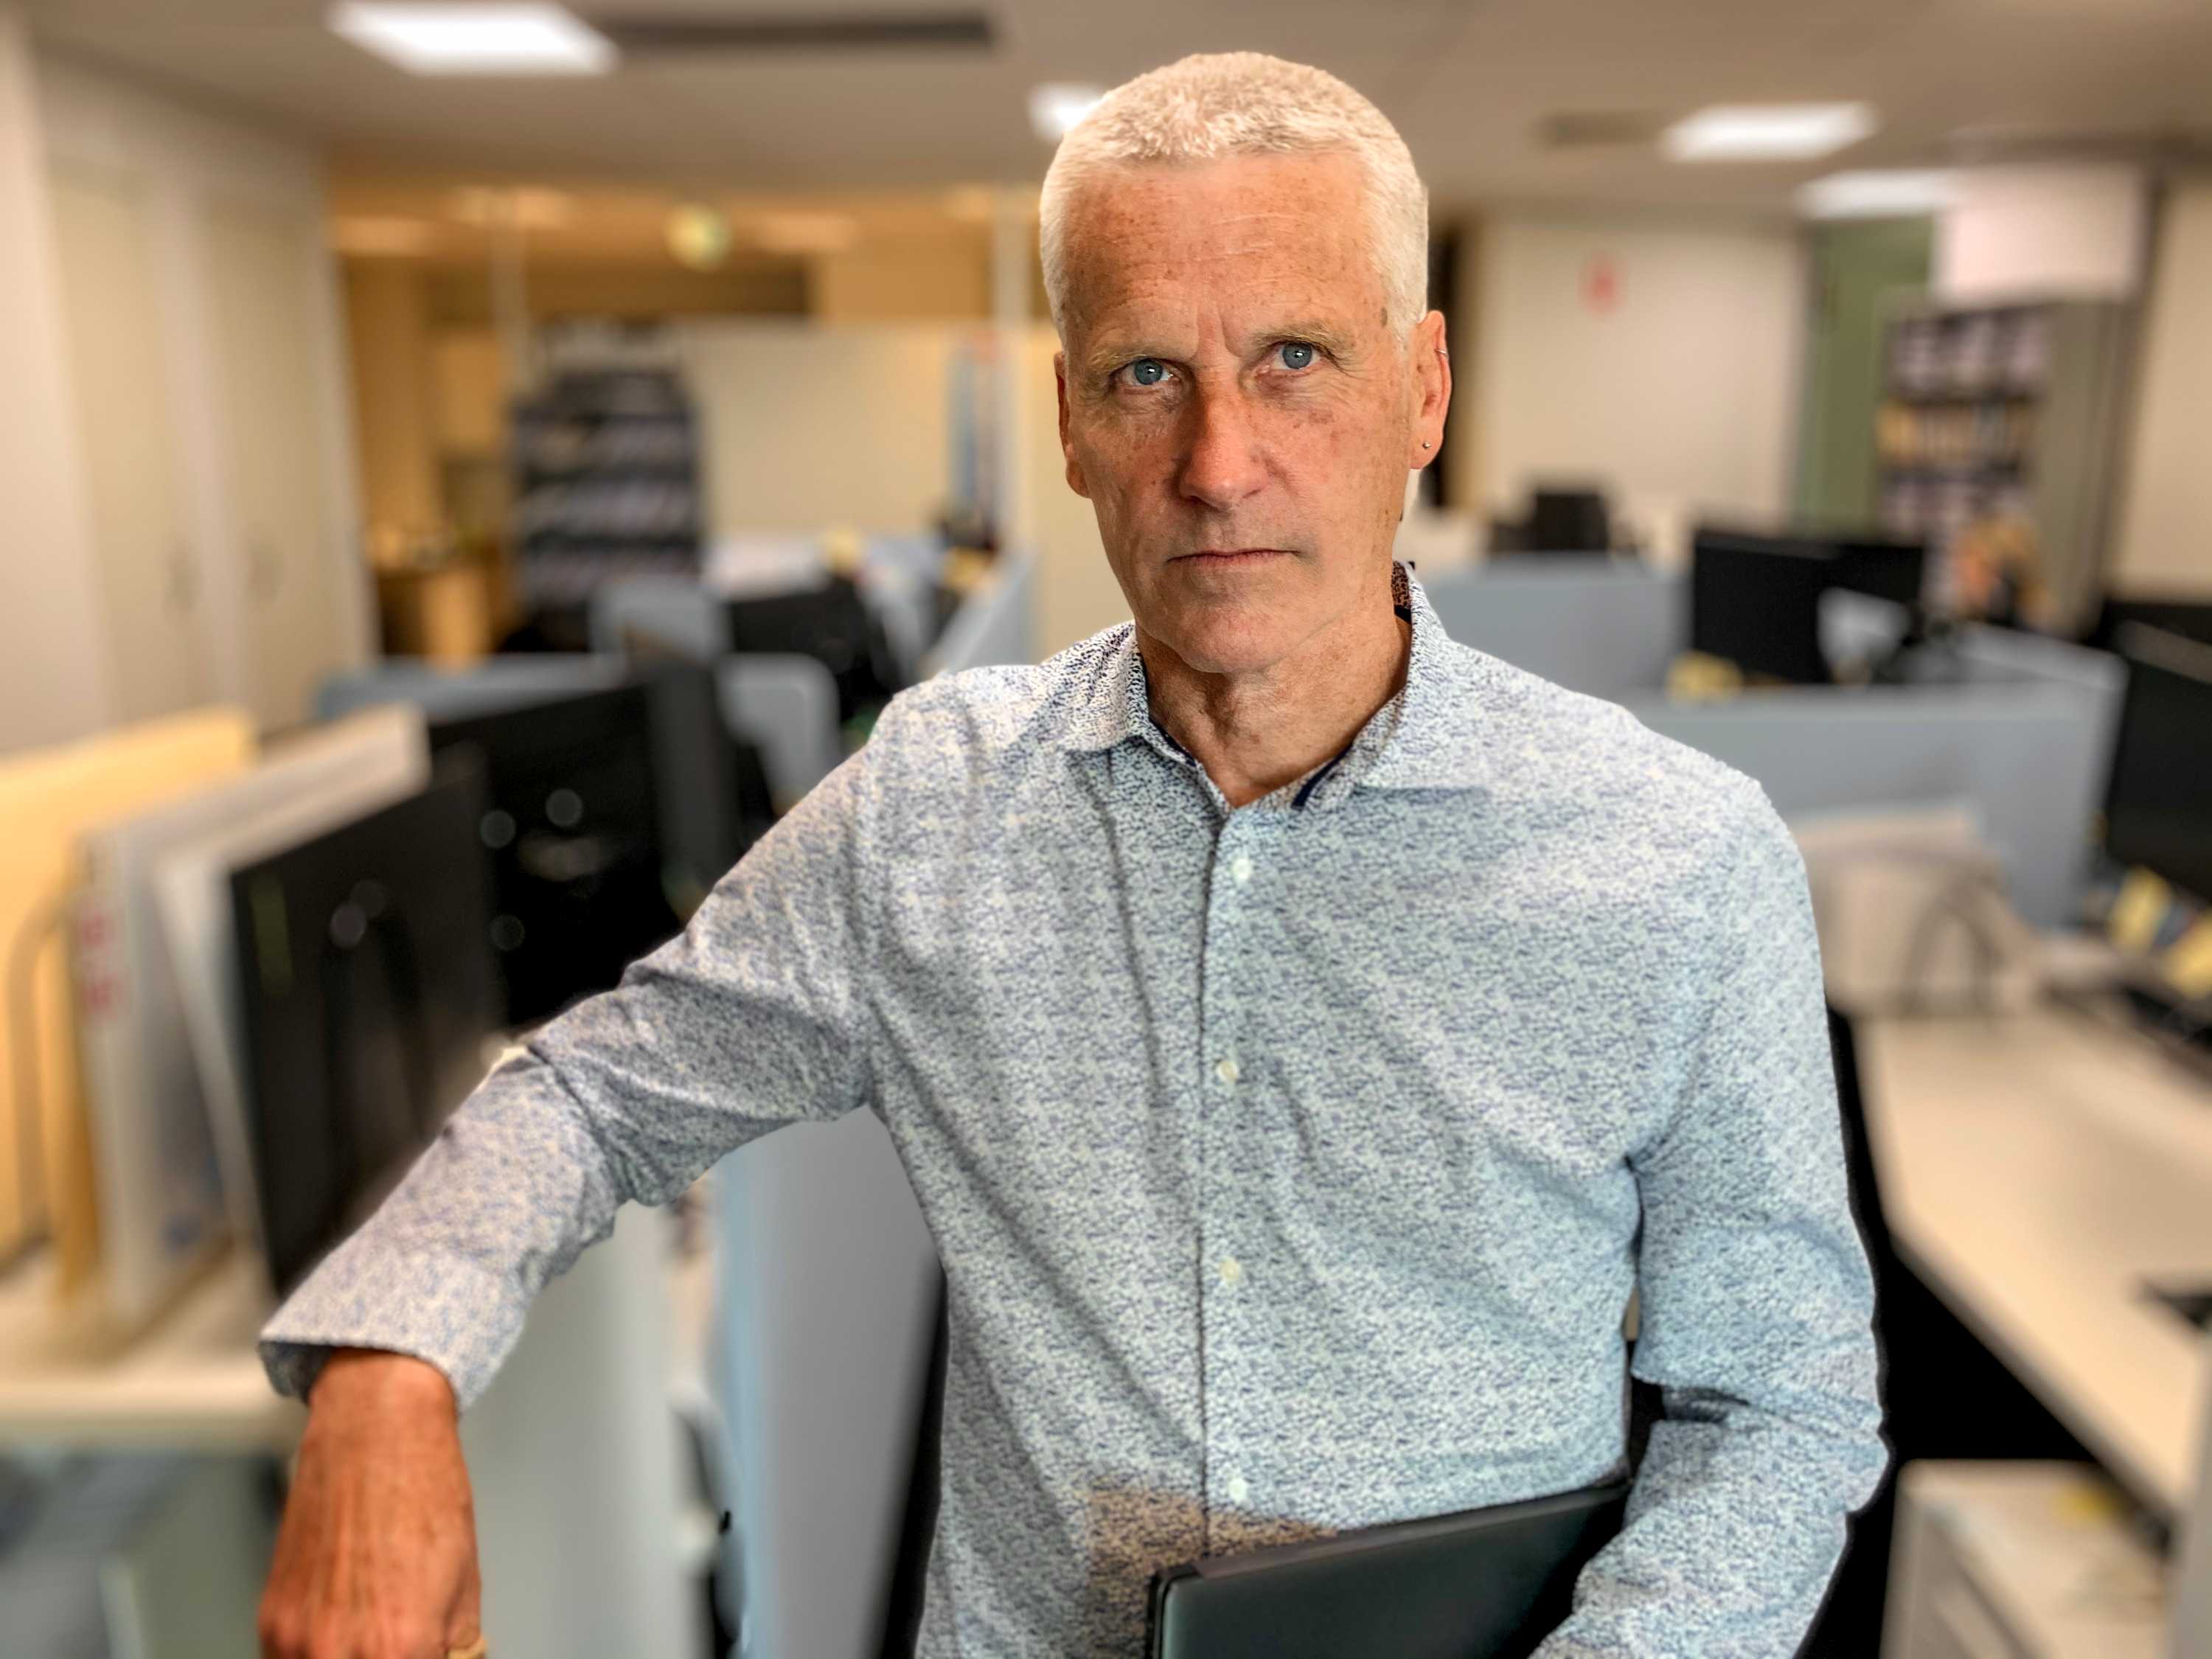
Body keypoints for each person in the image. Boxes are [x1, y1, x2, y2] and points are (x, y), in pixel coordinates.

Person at [256, 52, 1885, 1659]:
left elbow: (1783, 1404)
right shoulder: (934, 808)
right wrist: (387, 1366)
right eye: (1145, 375)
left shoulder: (1676, 860)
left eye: (1297, 358)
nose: (1219, 461)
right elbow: (590, 1091)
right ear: (1069, 423)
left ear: (1425, 390)